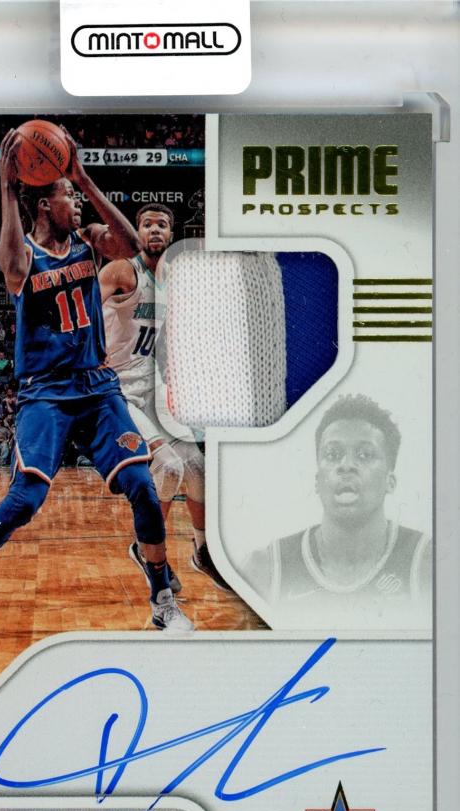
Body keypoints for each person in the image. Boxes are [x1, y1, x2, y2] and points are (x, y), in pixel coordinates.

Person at [0, 128, 193, 638]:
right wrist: (7, 185)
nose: (77, 203)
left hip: (98, 388)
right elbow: (11, 262)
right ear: (45, 205)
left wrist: (80, 176)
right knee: (25, 500)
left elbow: (130, 245)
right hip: (46, 394)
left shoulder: (90, 242)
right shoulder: (25, 256)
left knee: (143, 486)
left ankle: (163, 601)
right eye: (68, 196)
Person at [100, 204, 231, 593]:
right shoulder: (121, 271)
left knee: (197, 468)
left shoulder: (172, 282)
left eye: (162, 225)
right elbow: (82, 310)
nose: (154, 230)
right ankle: (145, 550)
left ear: (172, 235)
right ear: (137, 232)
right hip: (117, 389)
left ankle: (203, 552)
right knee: (169, 468)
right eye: (147, 224)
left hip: (154, 388)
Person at [243, 394, 431, 626]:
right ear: (317, 481)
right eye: (333, 455)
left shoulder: (428, 563)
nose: (346, 466)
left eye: (364, 455)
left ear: (390, 481)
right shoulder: (266, 568)